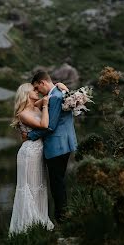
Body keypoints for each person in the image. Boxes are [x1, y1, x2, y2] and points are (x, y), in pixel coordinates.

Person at [9, 80, 69, 234]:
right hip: (29, 154)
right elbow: (44, 125)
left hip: (40, 152)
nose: (37, 91)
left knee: (39, 188)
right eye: (33, 90)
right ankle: (26, 225)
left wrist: (60, 87)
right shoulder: (22, 113)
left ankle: (39, 222)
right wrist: (44, 106)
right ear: (26, 93)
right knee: (28, 188)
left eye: (37, 89)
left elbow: (54, 95)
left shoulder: (35, 106)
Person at [26, 70, 77, 223]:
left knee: (57, 185)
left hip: (56, 146)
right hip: (66, 143)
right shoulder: (61, 92)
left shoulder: (55, 97)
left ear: (42, 82)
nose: (37, 91)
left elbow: (50, 126)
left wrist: (29, 136)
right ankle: (65, 216)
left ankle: (62, 219)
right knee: (59, 182)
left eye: (36, 88)